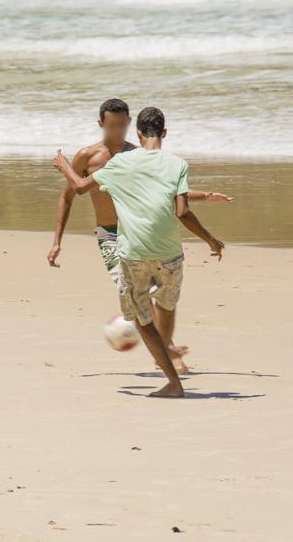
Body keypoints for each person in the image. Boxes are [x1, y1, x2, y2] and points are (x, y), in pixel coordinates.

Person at [52, 107, 225, 398]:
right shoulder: (97, 156)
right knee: (155, 301)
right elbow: (178, 206)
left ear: (136, 129)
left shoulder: (127, 159)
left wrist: (62, 165)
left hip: (134, 243)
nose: (118, 130)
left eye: (123, 124)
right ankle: (166, 352)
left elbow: (84, 186)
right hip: (121, 237)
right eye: (112, 124)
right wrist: (210, 238)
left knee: (142, 312)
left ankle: (167, 359)